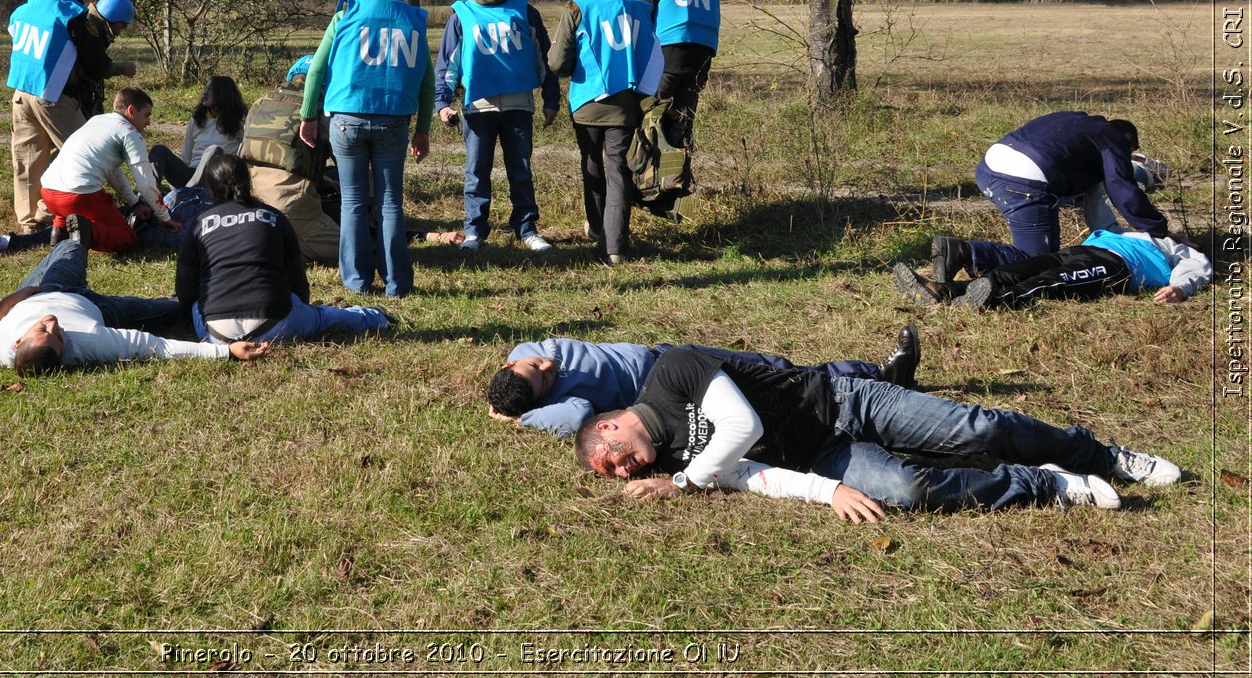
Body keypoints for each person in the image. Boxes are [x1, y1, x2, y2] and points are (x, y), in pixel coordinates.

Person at [575, 347, 1181, 518]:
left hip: (843, 400)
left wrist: (686, 483)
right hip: (825, 456)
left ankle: (1102, 454)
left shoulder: (670, 373)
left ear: (607, 426)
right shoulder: (676, 458)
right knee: (907, 490)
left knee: (979, 427)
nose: (625, 470)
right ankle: (1045, 484)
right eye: (619, 475)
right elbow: (754, 476)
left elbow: (743, 424)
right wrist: (825, 492)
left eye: (611, 460)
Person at [487, 326, 921, 438]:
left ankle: (874, 379)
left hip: (665, 352)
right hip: (666, 384)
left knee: (768, 364)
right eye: (544, 380)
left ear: (509, 365)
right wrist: (525, 419)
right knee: (773, 384)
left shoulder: (522, 354)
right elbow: (580, 414)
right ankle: (879, 379)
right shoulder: (556, 405)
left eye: (533, 367)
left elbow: (530, 354)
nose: (546, 365)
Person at [298, 0, 434, 297]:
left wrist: (308, 115)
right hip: (394, 122)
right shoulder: (415, 19)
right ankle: (397, 283)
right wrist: (423, 130)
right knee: (390, 203)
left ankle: (357, 282)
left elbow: (316, 70)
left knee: (353, 202)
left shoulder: (346, 12)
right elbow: (427, 80)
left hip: (347, 120)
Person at [0, 240, 269, 375]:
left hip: (37, 294)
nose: (53, 324)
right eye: (57, 336)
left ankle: (61, 242)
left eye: (44, 330)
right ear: (65, 349)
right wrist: (226, 351)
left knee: (69, 247)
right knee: (172, 309)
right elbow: (156, 347)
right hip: (92, 306)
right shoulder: (88, 341)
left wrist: (19, 298)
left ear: (17, 342)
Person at [176, 152, 393, 344]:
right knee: (323, 317)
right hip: (275, 323)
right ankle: (374, 317)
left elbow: (185, 288)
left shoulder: (199, 223)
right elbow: (297, 279)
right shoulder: (274, 217)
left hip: (216, 334)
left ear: (210, 191)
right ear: (248, 180)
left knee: (197, 301)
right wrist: (301, 308)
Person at [434, 0, 561, 252]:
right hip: (478, 107)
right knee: (476, 171)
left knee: (521, 170)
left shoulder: (526, 12)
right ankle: (475, 230)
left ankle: (527, 228)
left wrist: (551, 98)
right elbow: (448, 65)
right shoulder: (461, 16)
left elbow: (544, 58)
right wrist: (443, 103)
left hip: (518, 106)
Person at [6, 0, 136, 235]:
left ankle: (28, 223)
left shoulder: (22, 10)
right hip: (54, 97)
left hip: (20, 93)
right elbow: (96, 65)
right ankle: (46, 213)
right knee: (87, 153)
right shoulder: (75, 17)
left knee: (28, 159)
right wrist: (120, 68)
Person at [548, 0, 662, 265]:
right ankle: (615, 247)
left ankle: (597, 228)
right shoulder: (640, 8)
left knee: (592, 165)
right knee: (619, 172)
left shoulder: (578, 9)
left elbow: (558, 63)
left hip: (587, 102)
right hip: (628, 104)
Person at [975, 111, 1176, 254]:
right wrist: (1158, 231)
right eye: (1128, 152)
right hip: (1023, 183)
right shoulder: (1114, 138)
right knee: (1036, 260)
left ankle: (957, 253)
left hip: (987, 170)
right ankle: (963, 252)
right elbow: (1122, 189)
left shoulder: (1075, 120)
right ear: (1128, 137)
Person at [894, 228, 1210, 309]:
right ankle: (945, 291)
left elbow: (1197, 269)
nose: (1181, 233)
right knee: (1018, 269)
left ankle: (996, 302)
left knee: (1050, 282)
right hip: (1082, 249)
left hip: (1118, 267)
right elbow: (1097, 205)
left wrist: (1180, 288)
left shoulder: (1179, 249)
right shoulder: (1135, 231)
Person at [38, 85, 175, 253]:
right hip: (77, 197)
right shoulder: (129, 133)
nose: (148, 122)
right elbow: (146, 184)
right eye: (147, 115)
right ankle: (87, 231)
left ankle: (59, 233)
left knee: (71, 207)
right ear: (131, 111)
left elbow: (113, 172)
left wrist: (134, 203)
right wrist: (164, 216)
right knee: (127, 238)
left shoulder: (97, 120)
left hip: (48, 191)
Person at [238, 56, 341, 266]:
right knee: (351, 247)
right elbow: (347, 163)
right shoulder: (325, 110)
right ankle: (287, 250)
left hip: (250, 208)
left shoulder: (261, 102)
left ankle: (273, 244)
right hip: (291, 208)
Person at [635, 0, 719, 154]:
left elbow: (642, 17)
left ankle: (652, 179)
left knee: (653, 117)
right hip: (701, 57)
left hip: (666, 56)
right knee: (683, 119)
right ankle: (679, 176)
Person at [149, 75, 247, 190]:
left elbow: (245, 157)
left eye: (210, 89)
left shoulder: (240, 121)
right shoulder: (196, 120)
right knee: (159, 150)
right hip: (192, 175)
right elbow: (186, 157)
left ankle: (187, 194)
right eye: (205, 88)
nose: (205, 92)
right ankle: (150, 197)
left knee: (214, 151)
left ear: (223, 94)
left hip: (218, 179)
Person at [67, 0, 139, 119]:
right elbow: (99, 67)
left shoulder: (88, 22)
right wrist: (122, 68)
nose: (122, 29)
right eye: (122, 25)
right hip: (70, 97)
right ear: (114, 19)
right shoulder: (90, 31)